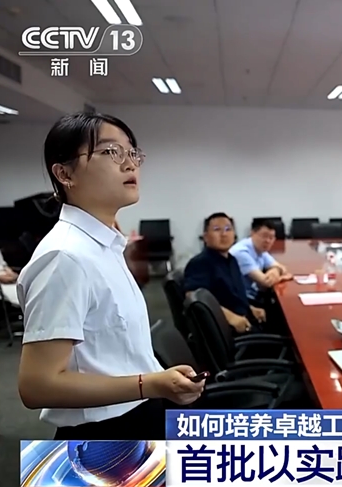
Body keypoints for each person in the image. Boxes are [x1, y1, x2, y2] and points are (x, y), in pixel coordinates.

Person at [16, 112, 204, 440]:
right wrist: (149, 383)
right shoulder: (65, 256)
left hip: (139, 413)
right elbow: (37, 385)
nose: (130, 164)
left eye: (132, 153)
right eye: (110, 152)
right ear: (64, 174)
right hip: (103, 435)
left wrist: (158, 379)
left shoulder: (104, 245)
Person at [182, 213, 266, 334]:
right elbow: (195, 299)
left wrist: (250, 308)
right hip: (226, 331)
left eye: (228, 229)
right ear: (205, 237)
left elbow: (233, 296)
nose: (224, 234)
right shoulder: (201, 263)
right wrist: (230, 317)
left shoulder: (232, 260)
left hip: (246, 320)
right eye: (217, 229)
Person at [229, 218, 292, 306]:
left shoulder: (260, 249)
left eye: (271, 238)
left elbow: (281, 267)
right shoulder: (241, 252)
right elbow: (266, 282)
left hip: (255, 295)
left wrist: (275, 270)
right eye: (264, 236)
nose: (268, 241)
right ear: (252, 233)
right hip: (242, 301)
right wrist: (281, 277)